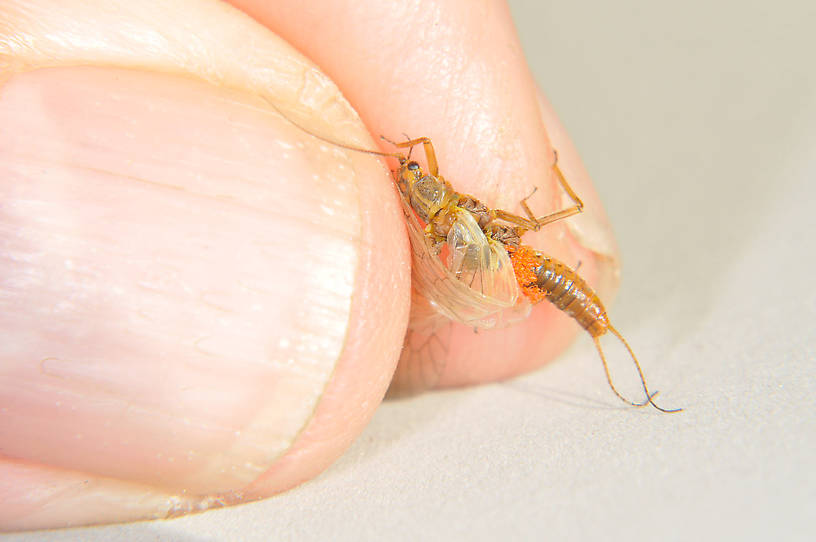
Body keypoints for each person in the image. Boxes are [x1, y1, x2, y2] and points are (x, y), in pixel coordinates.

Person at [0, 0, 617, 530]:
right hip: (509, 259)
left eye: (411, 171)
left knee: (535, 227)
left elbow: (432, 180)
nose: (410, 171)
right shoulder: (441, 206)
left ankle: (585, 313)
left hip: (515, 261)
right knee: (531, 229)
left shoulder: (442, 202)